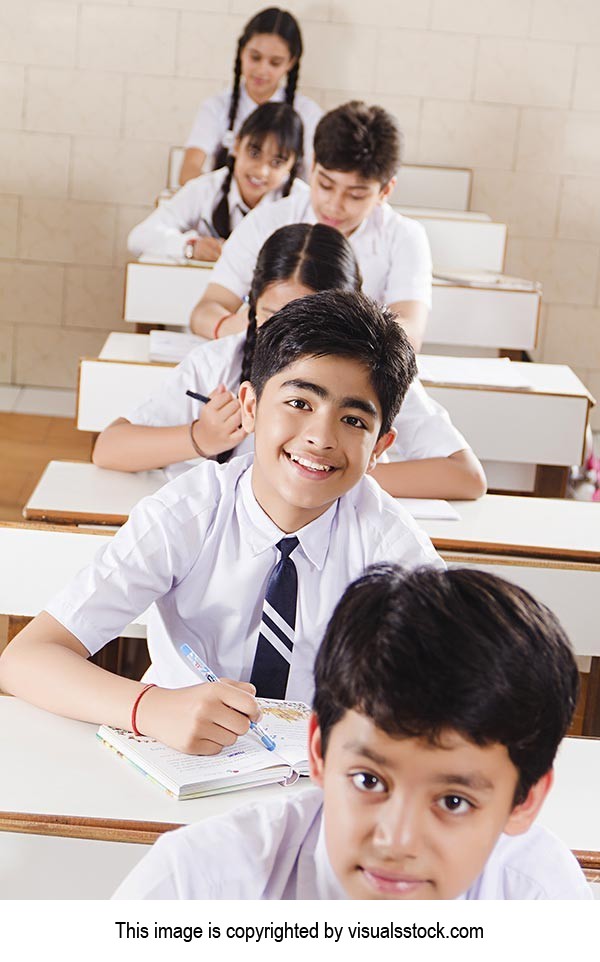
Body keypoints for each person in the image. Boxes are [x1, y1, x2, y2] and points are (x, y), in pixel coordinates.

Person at [0, 292, 442, 757]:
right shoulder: (191, 511)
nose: (320, 437)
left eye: (353, 419)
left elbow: (465, 684)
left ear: (379, 447)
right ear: (250, 407)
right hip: (173, 751)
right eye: (299, 403)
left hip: (319, 777)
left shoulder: (392, 546)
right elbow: (26, 659)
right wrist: (150, 708)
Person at [113, 564, 592, 900]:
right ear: (319, 751)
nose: (398, 840)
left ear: (524, 800)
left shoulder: (539, 897)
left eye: (453, 801)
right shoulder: (193, 886)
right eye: (369, 780)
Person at [94, 225, 485, 499]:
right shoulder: (217, 362)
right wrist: (200, 437)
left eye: (306, 318)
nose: (285, 334)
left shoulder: (372, 372)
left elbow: (465, 476)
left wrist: (339, 473)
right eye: (270, 314)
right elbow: (109, 449)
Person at [190, 101, 432, 350]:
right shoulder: (268, 221)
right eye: (325, 185)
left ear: (386, 190)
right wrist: (245, 326)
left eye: (356, 195)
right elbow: (204, 312)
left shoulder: (404, 237)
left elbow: (408, 335)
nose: (334, 205)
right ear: (312, 163)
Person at [128, 103, 303, 263]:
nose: (261, 171)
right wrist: (190, 246)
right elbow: (139, 238)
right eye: (254, 154)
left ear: (292, 165)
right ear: (236, 145)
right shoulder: (206, 189)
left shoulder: (302, 200)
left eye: (277, 162)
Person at [180, 7, 321, 185]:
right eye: (255, 57)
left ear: (291, 63)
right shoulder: (217, 106)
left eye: (274, 63)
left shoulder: (307, 113)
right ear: (242, 52)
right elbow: (189, 169)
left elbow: (315, 178)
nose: (262, 70)